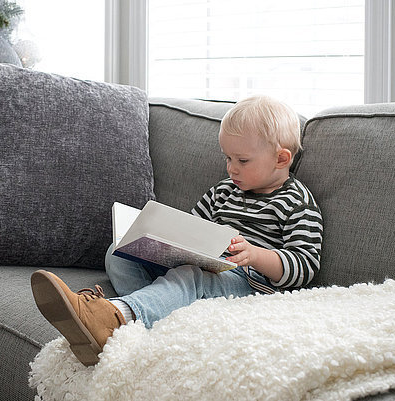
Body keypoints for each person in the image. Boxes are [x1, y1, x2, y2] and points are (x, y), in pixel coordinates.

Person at [31, 95, 323, 367]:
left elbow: (306, 265)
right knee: (119, 252)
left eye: (242, 160)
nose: (231, 168)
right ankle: (154, 314)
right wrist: (157, 240)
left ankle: (114, 317)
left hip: (247, 285)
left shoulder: (296, 201)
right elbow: (191, 228)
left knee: (188, 277)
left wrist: (256, 256)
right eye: (228, 158)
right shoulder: (224, 191)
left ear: (281, 159)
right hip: (203, 268)